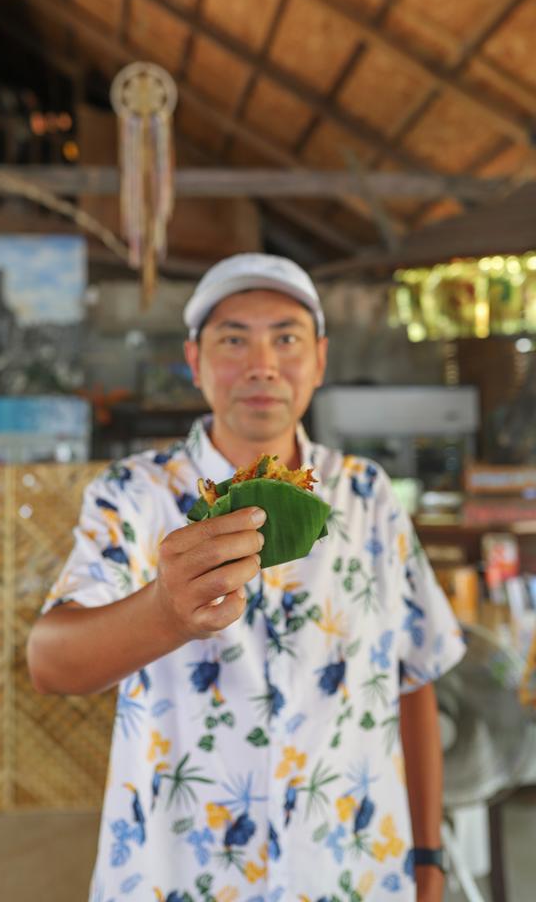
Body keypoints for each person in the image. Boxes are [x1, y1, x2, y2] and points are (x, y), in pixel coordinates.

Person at [27, 253, 465, 902]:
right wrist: (164, 613)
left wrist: (427, 858)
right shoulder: (135, 494)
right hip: (180, 875)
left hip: (353, 869)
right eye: (233, 339)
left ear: (319, 358)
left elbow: (413, 675)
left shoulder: (367, 494)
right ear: (194, 361)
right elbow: (50, 663)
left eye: (286, 338)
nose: (262, 364)